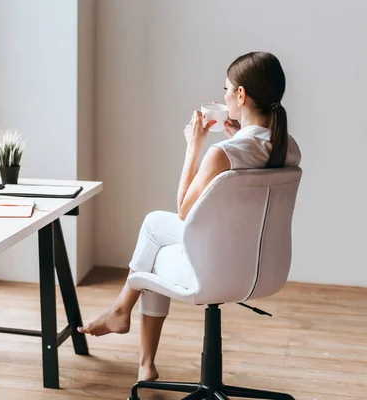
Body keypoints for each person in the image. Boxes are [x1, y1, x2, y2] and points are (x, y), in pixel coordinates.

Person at [77, 51, 302, 382]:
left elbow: (184, 210)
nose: (224, 96)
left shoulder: (222, 154)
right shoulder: (288, 147)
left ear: (240, 95)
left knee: (154, 235)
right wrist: (235, 138)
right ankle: (141, 357)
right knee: (156, 238)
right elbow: (248, 173)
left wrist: (194, 147)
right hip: (264, 268)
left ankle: (123, 316)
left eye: (226, 89)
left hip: (214, 270)